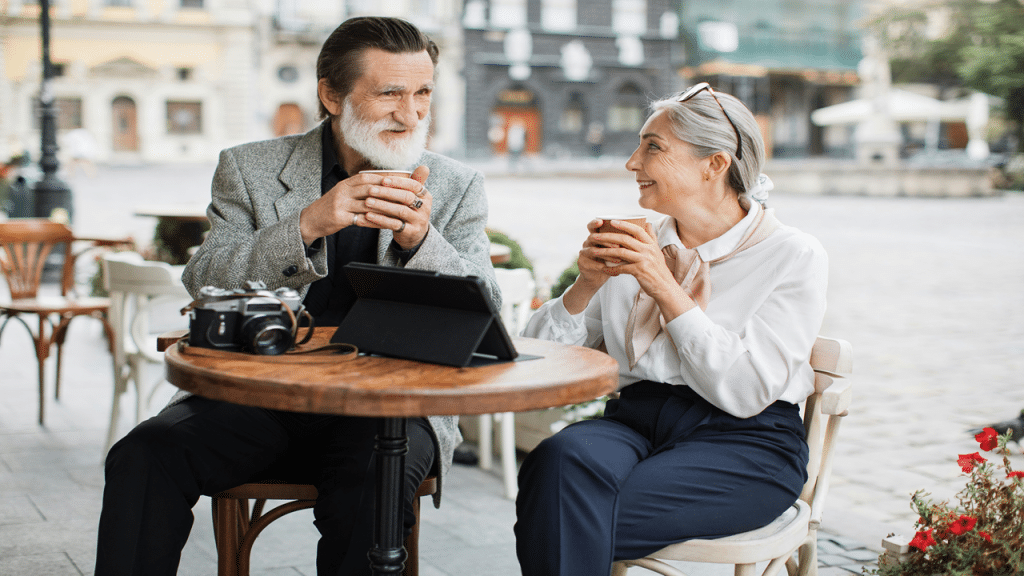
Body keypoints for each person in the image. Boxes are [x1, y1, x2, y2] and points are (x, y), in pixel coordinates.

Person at [94, 16, 497, 576]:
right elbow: (204, 276)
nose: (412, 113)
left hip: (388, 409)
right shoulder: (251, 168)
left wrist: (420, 240)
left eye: (423, 91)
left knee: (373, 484)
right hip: (262, 396)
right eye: (390, 94)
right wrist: (305, 224)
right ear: (331, 95)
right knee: (144, 455)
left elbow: (486, 310)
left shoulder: (454, 186)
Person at [514, 83, 829, 576]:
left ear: (715, 164)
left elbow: (747, 393)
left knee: (559, 513)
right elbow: (539, 360)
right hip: (633, 421)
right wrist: (586, 284)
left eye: (652, 147)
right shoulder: (639, 242)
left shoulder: (792, 255)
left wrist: (664, 287)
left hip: (745, 440)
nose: (631, 162)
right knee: (556, 462)